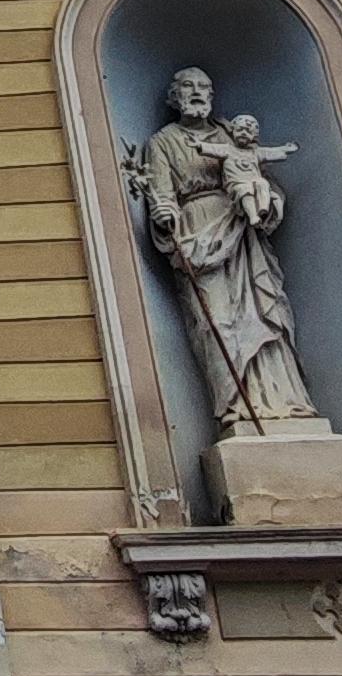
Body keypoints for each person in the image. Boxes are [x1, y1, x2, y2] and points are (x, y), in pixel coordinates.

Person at [132, 66, 319, 432]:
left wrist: (267, 206)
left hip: (241, 228)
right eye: (188, 86)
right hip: (199, 233)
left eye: (204, 87)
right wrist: (165, 212)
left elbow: (257, 177)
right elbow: (162, 195)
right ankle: (236, 408)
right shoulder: (163, 141)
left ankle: (284, 402)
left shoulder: (230, 134)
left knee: (266, 313)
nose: (197, 93)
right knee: (215, 320)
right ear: (174, 97)